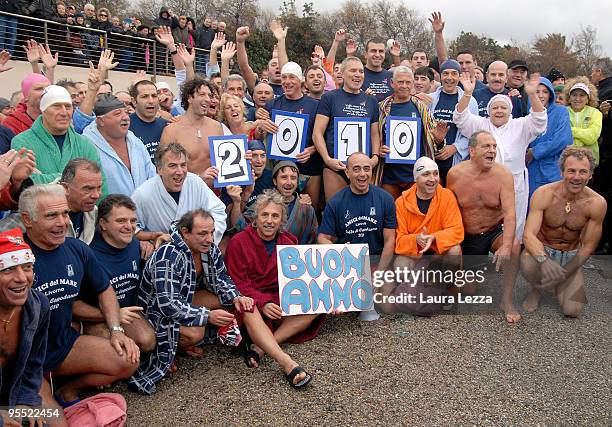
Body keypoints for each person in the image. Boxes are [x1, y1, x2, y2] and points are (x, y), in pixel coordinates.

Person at [131, 208, 312, 394]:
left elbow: (221, 279)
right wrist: (207, 316)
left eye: (211, 232)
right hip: (156, 314)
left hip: (188, 299)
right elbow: (168, 305)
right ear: (185, 232)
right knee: (195, 334)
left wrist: (236, 297)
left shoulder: (208, 249)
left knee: (245, 305)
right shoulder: (167, 256)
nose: (209, 239)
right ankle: (175, 350)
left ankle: (285, 361)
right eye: (202, 233)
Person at [19, 184, 139, 409]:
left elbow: (104, 289)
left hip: (63, 344)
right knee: (55, 422)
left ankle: (68, 390)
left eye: (65, 213)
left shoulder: (76, 248)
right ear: (27, 219)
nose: (62, 223)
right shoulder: (14, 257)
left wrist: (115, 330)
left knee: (128, 359)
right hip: (25, 360)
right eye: (51, 215)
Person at [225, 194, 320, 375]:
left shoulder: (290, 241)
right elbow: (237, 282)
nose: (269, 221)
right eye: (265, 215)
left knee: (315, 305)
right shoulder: (239, 241)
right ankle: (286, 362)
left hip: (278, 299)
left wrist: (331, 298)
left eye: (275, 216)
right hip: (251, 301)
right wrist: (262, 302)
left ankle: (261, 347)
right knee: (248, 306)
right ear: (256, 217)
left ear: (282, 220)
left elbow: (298, 280)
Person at [454, 72, 547, 240]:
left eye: (503, 107)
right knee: (487, 226)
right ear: (489, 111)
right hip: (484, 184)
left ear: (510, 111)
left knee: (514, 228)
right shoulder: (480, 124)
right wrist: (467, 93)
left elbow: (539, 120)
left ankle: (510, 257)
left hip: (514, 184)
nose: (499, 111)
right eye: (495, 108)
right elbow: (460, 118)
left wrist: (532, 94)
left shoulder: (520, 125)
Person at [521, 147, 606, 317]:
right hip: (543, 251)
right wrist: (544, 261)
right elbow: (528, 235)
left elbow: (588, 247)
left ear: (590, 175)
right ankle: (537, 290)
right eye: (571, 171)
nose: (576, 177)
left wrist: (564, 272)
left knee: (572, 311)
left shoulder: (597, 203)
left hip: (571, 254)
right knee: (528, 262)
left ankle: (561, 282)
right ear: (561, 172)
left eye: (583, 172)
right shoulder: (544, 194)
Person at [447, 131, 522, 324]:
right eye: (486, 146)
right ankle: (460, 280)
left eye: (494, 146)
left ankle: (507, 300)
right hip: (465, 235)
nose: (492, 151)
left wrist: (505, 247)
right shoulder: (455, 174)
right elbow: (447, 210)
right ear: (471, 150)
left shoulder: (503, 175)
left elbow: (510, 214)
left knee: (513, 244)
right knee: (468, 291)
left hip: (492, 232)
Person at [384, 157, 463, 316]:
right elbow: (398, 240)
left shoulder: (446, 196)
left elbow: (457, 230)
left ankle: (444, 291)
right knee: (400, 266)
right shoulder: (401, 202)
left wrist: (434, 238)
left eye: (435, 174)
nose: (432, 179)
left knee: (454, 251)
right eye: (426, 174)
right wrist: (416, 239)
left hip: (438, 253)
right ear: (415, 178)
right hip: (415, 254)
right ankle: (416, 296)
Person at [80, 194, 156, 352]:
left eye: (133, 221)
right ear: (103, 223)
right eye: (121, 221)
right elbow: (73, 304)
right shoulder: (88, 253)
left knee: (147, 341)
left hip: (128, 311)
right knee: (115, 352)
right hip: (95, 317)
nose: (129, 226)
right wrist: (109, 316)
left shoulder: (136, 245)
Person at [318, 152, 396, 284]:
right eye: (356, 169)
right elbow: (322, 238)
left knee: (386, 303)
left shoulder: (385, 199)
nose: (362, 174)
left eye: (367, 168)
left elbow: (390, 240)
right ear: (347, 173)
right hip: (347, 264)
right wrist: (342, 253)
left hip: (377, 262)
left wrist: (380, 274)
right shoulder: (336, 202)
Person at [11, 85, 107, 190]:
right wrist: (79, 181)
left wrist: (46, 178)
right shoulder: (22, 142)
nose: (64, 112)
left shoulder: (85, 144)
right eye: (56, 106)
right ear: (43, 110)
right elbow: (27, 185)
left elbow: (101, 184)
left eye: (68, 106)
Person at [0, 228, 50, 426]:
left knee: (48, 420)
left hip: (9, 401)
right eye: (8, 269)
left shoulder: (37, 306)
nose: (21, 278)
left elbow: (33, 363)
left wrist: (26, 400)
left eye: (27, 267)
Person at [313, 57, 381, 202]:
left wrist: (375, 157)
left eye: (361, 71)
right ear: (342, 74)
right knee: (336, 212)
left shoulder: (371, 101)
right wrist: (327, 159)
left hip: (363, 167)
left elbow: (375, 133)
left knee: (361, 212)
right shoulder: (329, 98)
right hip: (335, 167)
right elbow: (317, 133)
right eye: (353, 70)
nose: (358, 74)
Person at [257, 62, 323, 209]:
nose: (287, 82)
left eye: (292, 77)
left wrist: (311, 151)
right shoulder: (272, 104)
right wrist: (262, 126)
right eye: (284, 77)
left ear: (301, 80)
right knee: (280, 212)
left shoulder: (316, 105)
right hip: (280, 170)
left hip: (309, 167)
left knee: (310, 210)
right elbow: (259, 137)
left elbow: (324, 137)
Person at [131, 143, 226, 244]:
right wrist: (151, 237)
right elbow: (131, 228)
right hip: (164, 254)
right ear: (159, 169)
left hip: (200, 251)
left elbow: (218, 210)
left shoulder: (195, 182)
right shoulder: (143, 194)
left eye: (183, 165)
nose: (180, 171)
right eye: (173, 166)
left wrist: (206, 237)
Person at [376, 66, 447, 199]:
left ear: (412, 83)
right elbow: (373, 137)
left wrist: (438, 140)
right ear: (392, 83)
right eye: (400, 82)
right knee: (389, 213)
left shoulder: (422, 109)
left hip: (415, 174)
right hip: (389, 174)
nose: (404, 86)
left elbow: (435, 146)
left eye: (408, 82)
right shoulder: (381, 108)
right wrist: (378, 149)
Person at [83, 93, 156, 196]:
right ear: (101, 121)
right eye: (118, 114)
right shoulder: (87, 146)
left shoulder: (135, 142)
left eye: (126, 113)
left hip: (143, 209)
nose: (125, 117)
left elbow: (152, 176)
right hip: (107, 210)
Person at [159, 77, 224, 178]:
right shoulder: (172, 130)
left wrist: (243, 158)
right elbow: (165, 170)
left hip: (215, 192)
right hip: (186, 191)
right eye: (202, 94)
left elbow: (226, 162)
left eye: (209, 95)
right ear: (189, 98)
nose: (207, 99)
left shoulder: (217, 127)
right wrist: (198, 179)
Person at [429, 59, 479, 184]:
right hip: (432, 159)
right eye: (445, 73)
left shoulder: (470, 101)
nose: (449, 78)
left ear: (459, 76)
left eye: (454, 73)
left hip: (457, 161)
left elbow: (474, 134)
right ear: (440, 76)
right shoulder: (430, 99)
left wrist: (455, 147)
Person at [526, 77, 573, 199]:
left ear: (550, 95)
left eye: (545, 92)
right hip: (531, 169)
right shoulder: (528, 114)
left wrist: (535, 151)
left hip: (553, 168)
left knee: (553, 206)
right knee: (533, 206)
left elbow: (562, 140)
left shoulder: (561, 112)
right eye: (537, 91)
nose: (541, 96)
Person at [272, 161, 317, 244]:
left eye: (293, 178)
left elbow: (313, 241)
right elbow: (244, 227)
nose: (289, 183)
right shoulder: (264, 205)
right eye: (284, 177)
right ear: (275, 181)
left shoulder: (306, 209)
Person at [62, 158, 103, 244]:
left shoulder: (94, 213)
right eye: (88, 189)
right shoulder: (42, 207)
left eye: (99, 188)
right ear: (66, 188)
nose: (96, 195)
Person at [563, 78, 602, 165]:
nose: (577, 98)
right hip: (566, 161)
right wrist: (583, 135)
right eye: (574, 95)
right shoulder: (562, 112)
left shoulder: (595, 113)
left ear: (588, 99)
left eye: (582, 95)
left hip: (589, 162)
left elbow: (592, 136)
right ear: (569, 98)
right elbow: (561, 136)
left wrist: (570, 130)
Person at [128, 79, 168, 162]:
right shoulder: (125, 127)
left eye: (154, 96)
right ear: (134, 101)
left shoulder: (166, 126)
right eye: (144, 96)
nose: (151, 101)